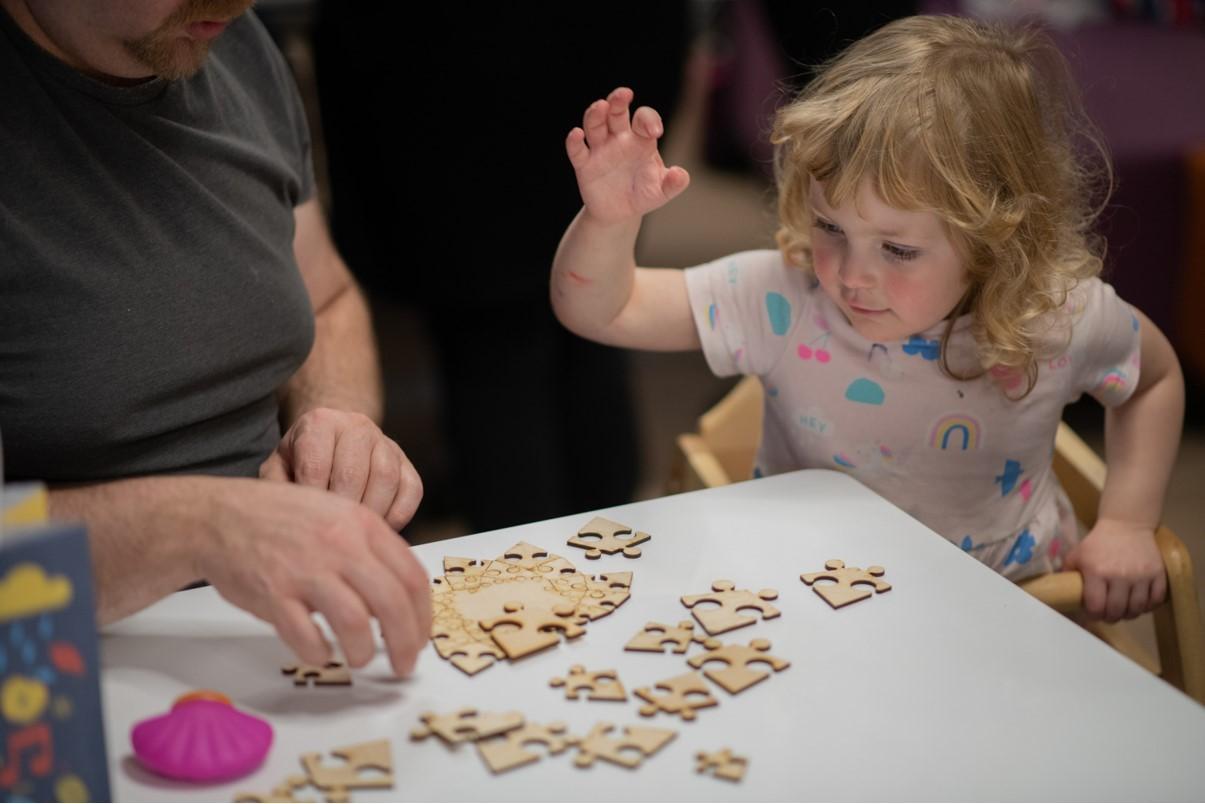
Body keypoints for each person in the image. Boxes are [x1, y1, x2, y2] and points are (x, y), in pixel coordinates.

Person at [551, 15, 1185, 623]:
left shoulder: (1056, 316)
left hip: (1012, 612)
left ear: (997, 236)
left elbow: (1152, 381)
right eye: (830, 227)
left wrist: (1127, 521)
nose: (851, 274)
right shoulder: (784, 296)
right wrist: (610, 221)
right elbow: (602, 309)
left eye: (898, 249)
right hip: (809, 608)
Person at [0, 0, 431, 675]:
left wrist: (336, 415)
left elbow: (326, 298)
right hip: (59, 679)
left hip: (278, 645)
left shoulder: (231, 43)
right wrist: (201, 528)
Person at [311, 3, 690, 534]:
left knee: (535, 335)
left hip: (473, 80)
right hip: (518, 71)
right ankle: (571, 551)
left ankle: (577, 551)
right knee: (539, 336)